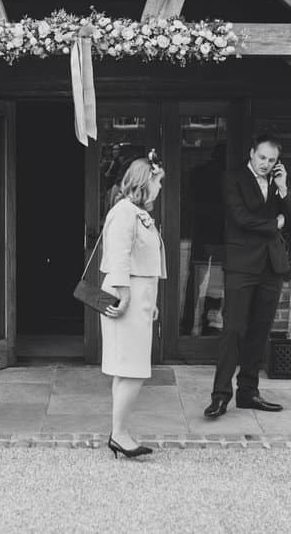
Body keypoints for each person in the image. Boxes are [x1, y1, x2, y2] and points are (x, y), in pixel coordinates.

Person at [204, 134, 291, 419]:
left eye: (271, 160)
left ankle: (248, 392)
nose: (266, 164)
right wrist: (275, 223)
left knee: (259, 332)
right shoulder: (233, 178)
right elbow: (240, 218)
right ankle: (221, 396)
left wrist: (283, 189)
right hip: (242, 266)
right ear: (251, 153)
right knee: (233, 330)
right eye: (262, 158)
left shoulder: (276, 183)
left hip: (271, 268)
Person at [99, 151, 166, 458]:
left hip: (138, 296)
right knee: (133, 369)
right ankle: (119, 433)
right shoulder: (125, 211)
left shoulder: (136, 212)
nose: (161, 187)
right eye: (158, 181)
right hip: (126, 295)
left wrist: (150, 302)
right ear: (146, 181)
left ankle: (119, 431)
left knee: (126, 369)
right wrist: (124, 294)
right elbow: (119, 254)